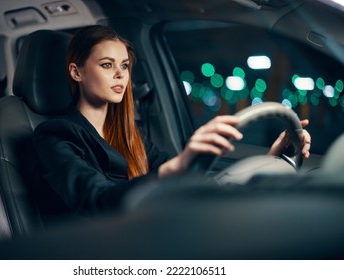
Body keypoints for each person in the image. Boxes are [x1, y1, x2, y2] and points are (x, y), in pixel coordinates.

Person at [33, 25, 311, 215]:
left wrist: (269, 159)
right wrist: (178, 165)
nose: (120, 75)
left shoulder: (132, 132)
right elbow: (97, 199)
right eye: (107, 65)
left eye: (125, 66)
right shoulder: (55, 135)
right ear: (76, 72)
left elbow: (181, 180)